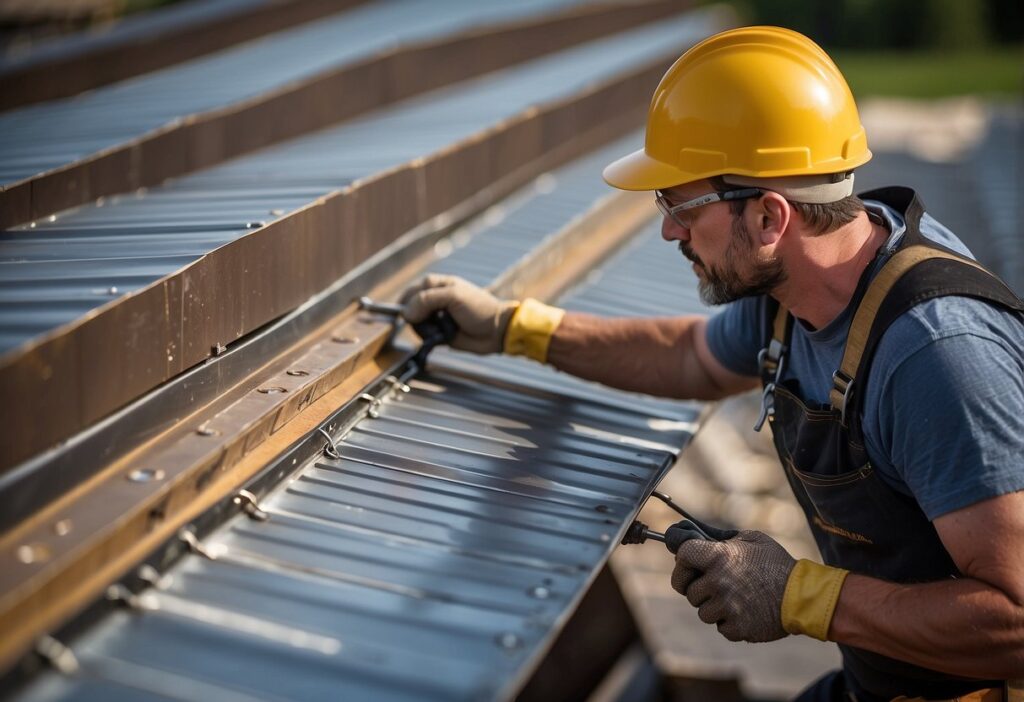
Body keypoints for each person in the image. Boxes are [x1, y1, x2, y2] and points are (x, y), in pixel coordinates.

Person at [400, 26, 1024, 701]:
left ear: (768, 216)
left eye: (679, 203)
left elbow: (1016, 620)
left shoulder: (934, 359)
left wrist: (798, 597)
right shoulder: (800, 287)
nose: (668, 229)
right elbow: (690, 357)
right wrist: (514, 328)